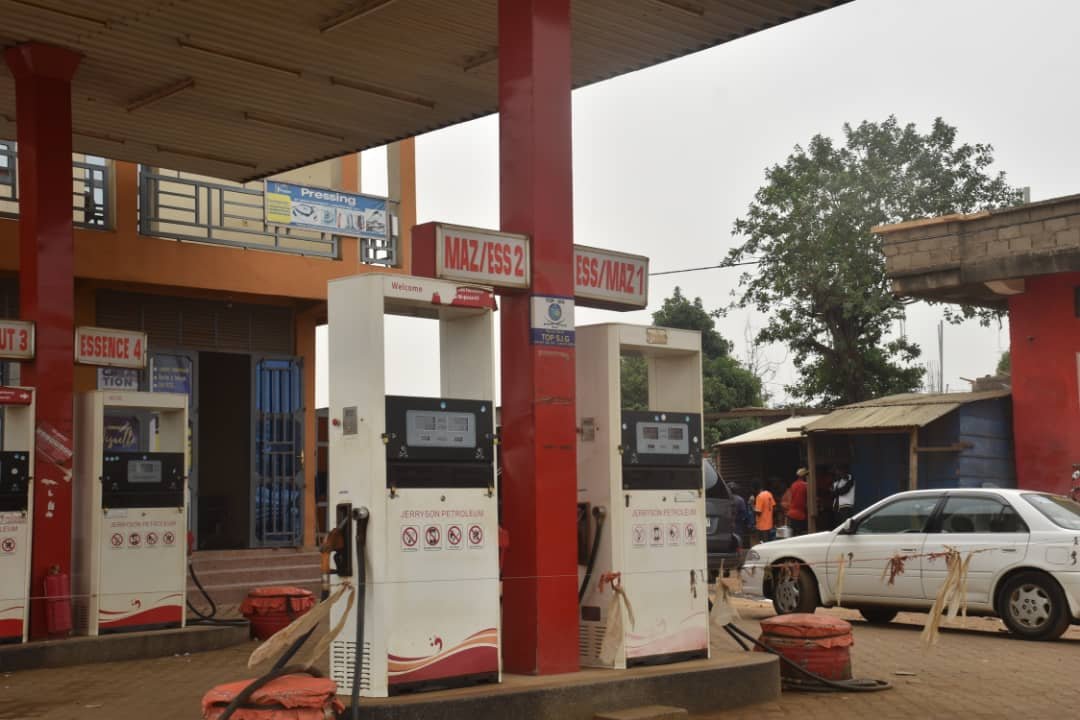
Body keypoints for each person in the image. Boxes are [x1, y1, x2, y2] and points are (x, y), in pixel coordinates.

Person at [787, 468, 809, 535]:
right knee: (800, 535)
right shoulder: (805, 485)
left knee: (793, 535)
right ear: (804, 476)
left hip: (791, 514)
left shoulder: (793, 485)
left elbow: (790, 498)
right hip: (800, 515)